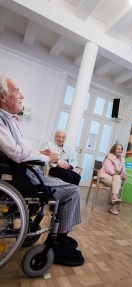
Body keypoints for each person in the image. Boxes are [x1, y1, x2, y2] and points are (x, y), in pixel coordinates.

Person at [0, 76, 84, 267]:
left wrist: (39, 154)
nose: (22, 96)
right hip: (20, 177)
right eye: (17, 91)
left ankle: (60, 234)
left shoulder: (9, 120)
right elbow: (14, 152)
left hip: (22, 173)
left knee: (71, 178)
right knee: (72, 190)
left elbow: (17, 149)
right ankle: (59, 243)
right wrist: (46, 157)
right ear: (3, 97)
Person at [98, 143, 127, 215]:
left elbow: (124, 169)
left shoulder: (122, 159)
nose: (120, 150)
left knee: (116, 183)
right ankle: (113, 206)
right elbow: (108, 169)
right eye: (118, 149)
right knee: (116, 184)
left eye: (121, 149)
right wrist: (116, 174)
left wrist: (123, 174)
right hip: (105, 175)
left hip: (115, 178)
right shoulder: (109, 157)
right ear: (114, 149)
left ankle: (114, 197)